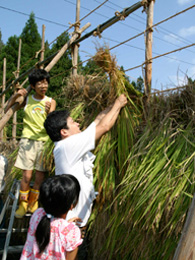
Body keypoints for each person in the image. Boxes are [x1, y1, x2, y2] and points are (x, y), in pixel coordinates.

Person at [44, 94, 127, 231]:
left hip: (74, 223)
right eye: (72, 122)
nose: (77, 123)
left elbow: (98, 120)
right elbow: (104, 126)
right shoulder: (68, 145)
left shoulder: (67, 144)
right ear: (64, 132)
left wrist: (112, 105)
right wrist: (118, 104)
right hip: (68, 226)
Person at [7, 68, 56, 218]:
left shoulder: (50, 101)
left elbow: (52, 122)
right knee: (27, 176)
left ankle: (33, 202)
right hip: (28, 140)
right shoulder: (28, 99)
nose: (44, 86)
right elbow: (8, 106)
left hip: (44, 141)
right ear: (33, 86)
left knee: (40, 176)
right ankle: (22, 204)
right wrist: (17, 94)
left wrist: (49, 112)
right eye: (40, 83)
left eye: (46, 82)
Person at [20, 174, 83, 260]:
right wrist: (69, 227)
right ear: (72, 205)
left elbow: (52, 226)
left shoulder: (37, 215)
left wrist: (67, 225)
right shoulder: (72, 232)